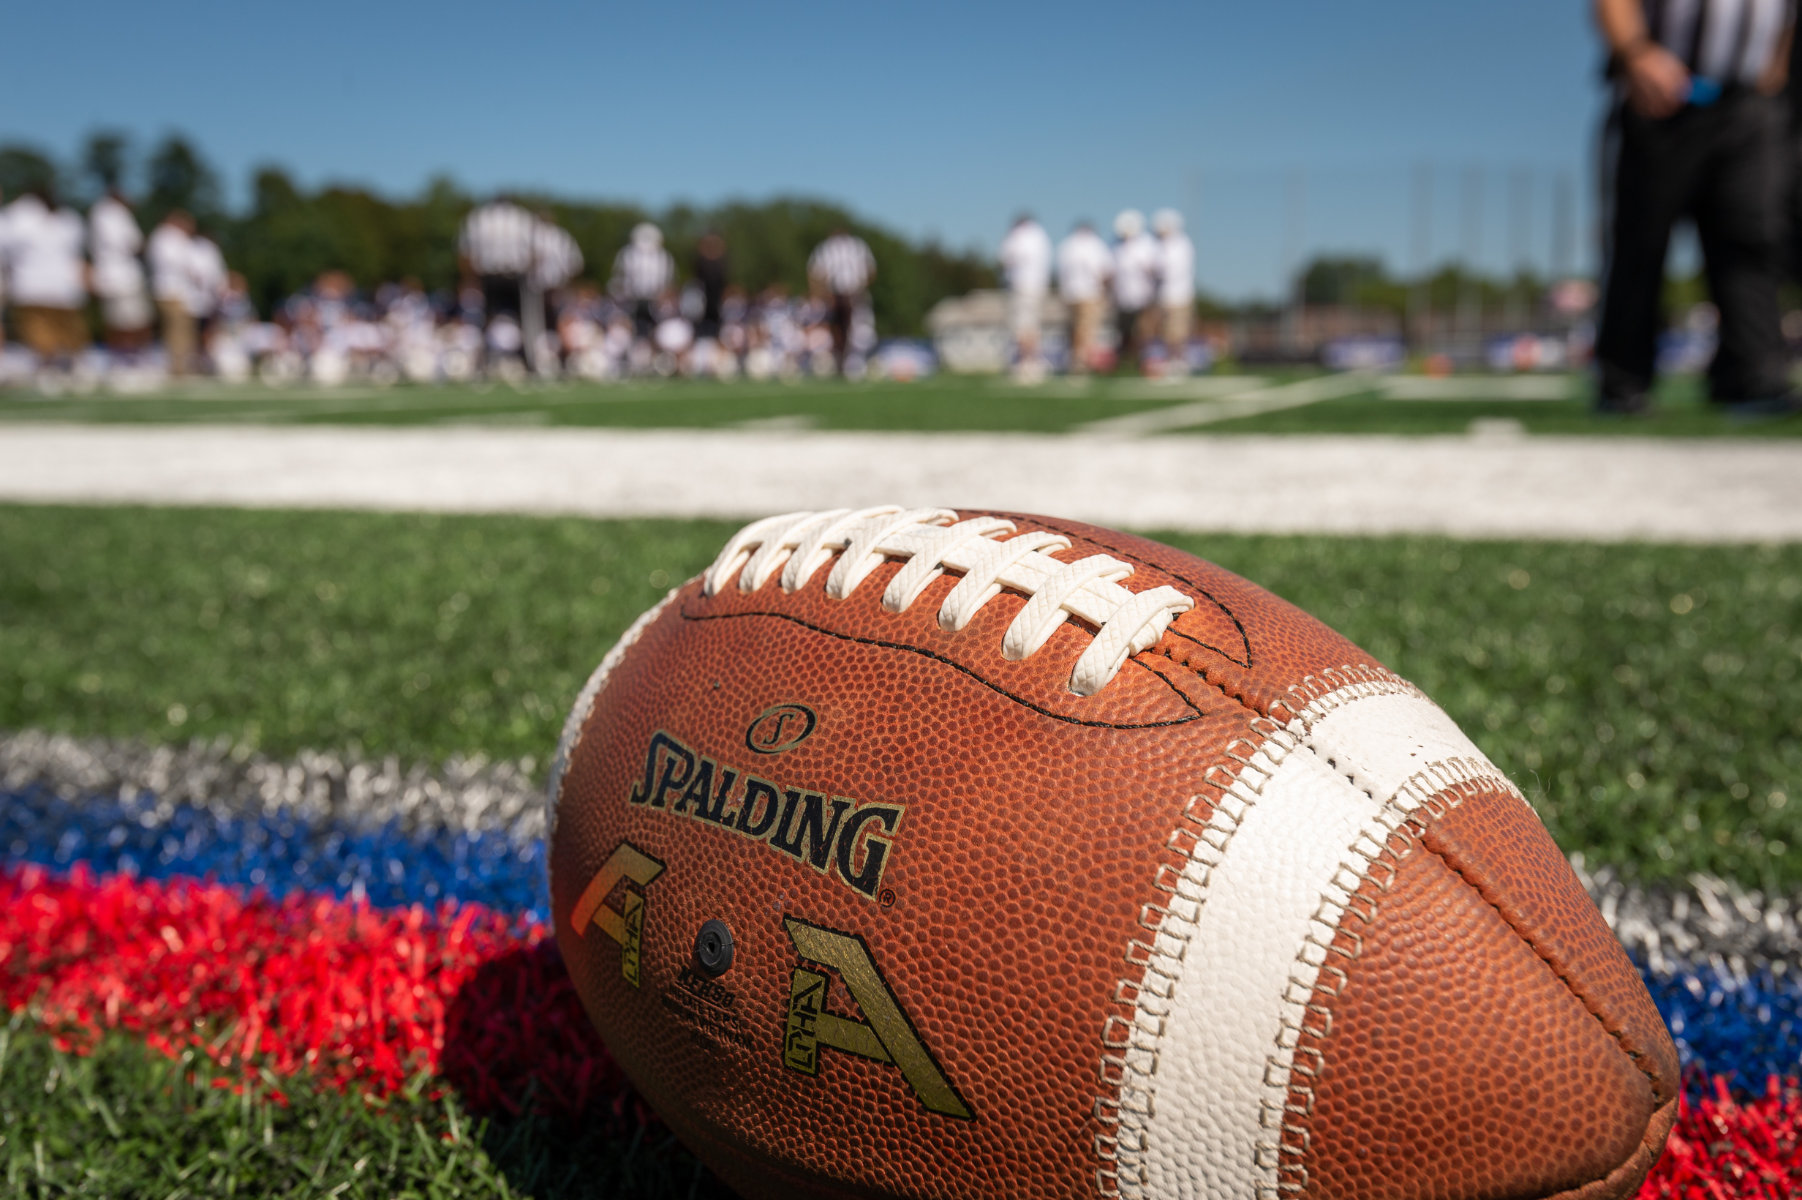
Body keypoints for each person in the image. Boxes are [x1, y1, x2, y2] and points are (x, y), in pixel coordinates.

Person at [1593, 0, 1798, 416]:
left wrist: (1776, 70)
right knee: (1642, 242)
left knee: (1752, 240)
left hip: (1749, 107)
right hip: (1665, 99)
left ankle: (1753, 377)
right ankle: (1624, 381)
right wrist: (1636, 53)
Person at [1, 182, 89, 370]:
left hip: (31, 286)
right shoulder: (68, 218)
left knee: (39, 334)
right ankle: (71, 367)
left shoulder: (17, 215)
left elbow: (5, 248)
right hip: (64, 287)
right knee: (67, 333)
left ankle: (49, 367)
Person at [458, 195, 537, 366]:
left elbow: (466, 253)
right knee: (520, 319)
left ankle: (485, 362)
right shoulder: (522, 217)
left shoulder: (479, 217)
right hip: (513, 275)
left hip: (491, 275)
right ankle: (526, 361)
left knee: (488, 319)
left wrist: (470, 279)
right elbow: (533, 252)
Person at [88, 188, 153, 353]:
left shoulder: (98, 212)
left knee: (115, 321)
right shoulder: (117, 213)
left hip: (107, 274)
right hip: (124, 276)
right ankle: (131, 356)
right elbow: (132, 243)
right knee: (134, 321)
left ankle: (119, 357)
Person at [808, 227, 877, 375]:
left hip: (853, 295)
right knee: (838, 332)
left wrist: (859, 288)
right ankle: (842, 364)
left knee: (860, 332)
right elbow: (815, 273)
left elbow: (815, 273)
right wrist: (825, 294)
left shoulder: (856, 246)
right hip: (837, 295)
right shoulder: (830, 247)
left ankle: (855, 365)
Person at [998, 213, 1052, 381]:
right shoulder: (1041, 235)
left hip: (1020, 287)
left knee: (1023, 326)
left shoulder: (1016, 236)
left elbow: (1005, 258)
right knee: (1032, 326)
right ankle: (1032, 361)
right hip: (1037, 287)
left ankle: (1025, 362)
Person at [611, 222, 675, 363]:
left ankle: (657, 359)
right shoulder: (626, 255)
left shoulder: (663, 257)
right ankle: (629, 360)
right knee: (625, 332)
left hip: (654, 302)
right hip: (631, 301)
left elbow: (668, 284)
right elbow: (618, 282)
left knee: (661, 333)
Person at [1057, 219, 1112, 373]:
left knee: (1075, 330)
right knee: (1086, 330)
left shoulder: (1067, 244)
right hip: (1089, 294)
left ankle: (1076, 361)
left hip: (1070, 294)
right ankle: (1082, 363)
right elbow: (1103, 271)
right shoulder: (1095, 244)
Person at [1110, 209, 1160, 372]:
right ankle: (1125, 363)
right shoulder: (1115, 245)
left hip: (1143, 297)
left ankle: (1147, 362)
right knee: (1124, 333)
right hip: (1122, 298)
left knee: (1144, 332)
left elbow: (1155, 269)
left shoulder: (1147, 244)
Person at [148, 209, 197, 375]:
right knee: (176, 332)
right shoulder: (166, 236)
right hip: (170, 290)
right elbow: (177, 262)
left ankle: (181, 366)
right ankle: (177, 368)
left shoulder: (168, 237)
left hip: (176, 291)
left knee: (180, 331)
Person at [1153, 209, 1197, 374]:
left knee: (1177, 332)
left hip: (1179, 295)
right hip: (1165, 296)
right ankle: (1171, 360)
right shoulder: (1160, 245)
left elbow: (1170, 269)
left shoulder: (1181, 244)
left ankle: (1178, 361)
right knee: (1167, 332)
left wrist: (1154, 271)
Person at [692, 231, 729, 344]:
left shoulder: (723, 262)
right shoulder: (701, 261)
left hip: (717, 301)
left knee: (718, 325)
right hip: (703, 301)